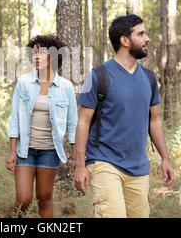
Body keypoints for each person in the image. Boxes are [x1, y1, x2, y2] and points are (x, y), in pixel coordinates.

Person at [74, 14, 174, 218]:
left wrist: (165, 158)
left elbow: (154, 121)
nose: (147, 39)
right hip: (104, 162)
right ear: (124, 40)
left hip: (138, 166)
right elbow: (82, 122)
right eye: (141, 34)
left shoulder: (150, 78)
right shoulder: (96, 76)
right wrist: (79, 165)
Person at [6, 35, 77, 218]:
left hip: (49, 151)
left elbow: (72, 125)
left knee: (45, 198)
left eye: (41, 53)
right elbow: (15, 118)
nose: (36, 57)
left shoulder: (66, 87)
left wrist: (76, 157)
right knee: (23, 199)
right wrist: (12, 151)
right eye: (34, 53)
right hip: (25, 150)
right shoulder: (24, 83)